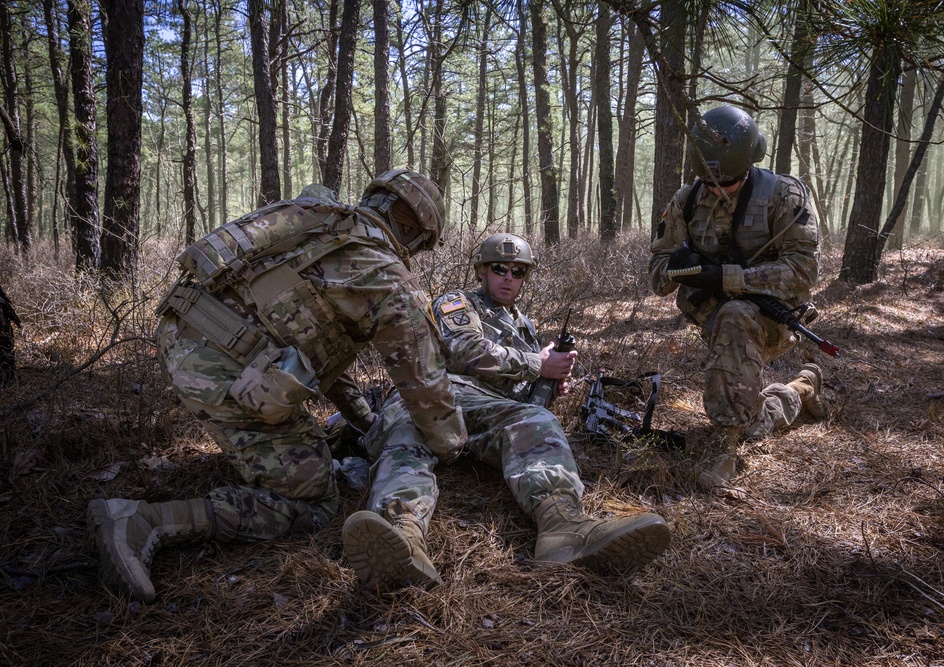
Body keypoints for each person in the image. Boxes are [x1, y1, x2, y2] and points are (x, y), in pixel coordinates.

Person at [88, 169, 467, 602]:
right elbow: (426, 386)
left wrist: (361, 417)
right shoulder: (385, 275)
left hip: (183, 329)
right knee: (317, 503)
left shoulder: (320, 217)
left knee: (308, 438)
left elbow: (313, 337)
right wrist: (451, 445)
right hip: (219, 372)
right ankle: (142, 520)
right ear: (417, 235)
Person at [342, 232, 672, 589]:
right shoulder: (458, 302)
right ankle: (401, 533)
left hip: (488, 414)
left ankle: (563, 526)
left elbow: (523, 401)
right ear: (481, 271)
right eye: (500, 269)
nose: (509, 278)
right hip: (439, 395)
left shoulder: (524, 326)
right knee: (407, 432)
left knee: (537, 419)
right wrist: (537, 364)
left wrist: (548, 386)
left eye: (519, 272)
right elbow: (466, 350)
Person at [648, 105, 826, 495]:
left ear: (748, 163)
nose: (717, 192)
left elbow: (804, 270)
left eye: (726, 183)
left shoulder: (783, 194)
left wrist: (729, 277)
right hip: (715, 321)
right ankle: (798, 390)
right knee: (753, 416)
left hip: (772, 320)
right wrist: (678, 266)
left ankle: (723, 448)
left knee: (736, 313)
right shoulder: (687, 200)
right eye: (710, 183)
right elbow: (658, 277)